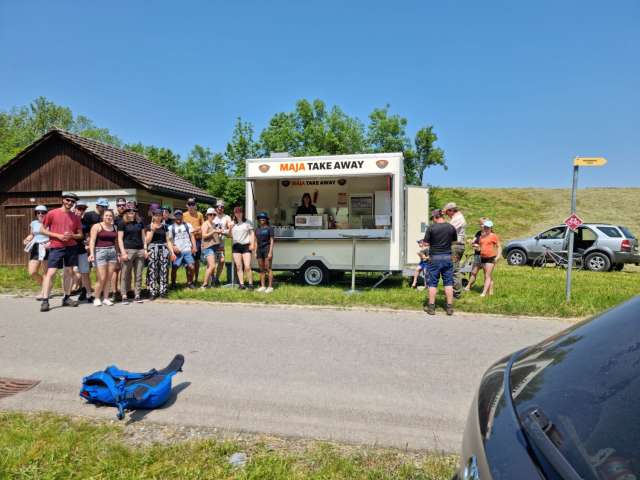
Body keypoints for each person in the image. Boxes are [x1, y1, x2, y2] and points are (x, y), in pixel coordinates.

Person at [39, 193, 84, 312]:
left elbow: (80, 235)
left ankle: (66, 298)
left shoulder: (75, 217)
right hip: (56, 247)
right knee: (51, 273)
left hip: (71, 247)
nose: (70, 203)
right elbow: (42, 230)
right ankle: (45, 300)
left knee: (68, 272)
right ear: (63, 200)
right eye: (68, 200)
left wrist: (72, 235)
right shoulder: (52, 213)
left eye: (72, 202)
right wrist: (57, 235)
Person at [423, 209, 458, 316]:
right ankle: (449, 308)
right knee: (448, 283)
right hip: (447, 257)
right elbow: (454, 242)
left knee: (433, 283)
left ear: (435, 217)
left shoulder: (431, 228)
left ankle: (431, 308)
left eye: (432, 218)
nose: (432, 220)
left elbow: (425, 244)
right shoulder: (451, 227)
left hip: (435, 258)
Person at [88, 209, 120, 306]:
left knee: (109, 277)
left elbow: (116, 242)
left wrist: (118, 253)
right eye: (106, 215)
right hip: (100, 252)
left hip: (112, 252)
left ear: (113, 217)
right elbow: (92, 241)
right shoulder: (97, 226)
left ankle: (106, 298)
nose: (108, 217)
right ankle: (97, 298)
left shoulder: (115, 227)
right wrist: (91, 253)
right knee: (101, 277)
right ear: (102, 216)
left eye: (110, 216)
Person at [118, 203, 146, 304]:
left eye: (133, 211)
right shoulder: (122, 223)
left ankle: (137, 294)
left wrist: (145, 249)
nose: (132, 213)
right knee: (125, 274)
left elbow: (143, 237)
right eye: (129, 211)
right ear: (126, 212)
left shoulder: (140, 222)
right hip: (128, 250)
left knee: (138, 274)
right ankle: (124, 295)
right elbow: (120, 239)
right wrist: (122, 252)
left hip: (139, 251)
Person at [145, 209, 176, 299]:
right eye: (156, 215)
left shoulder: (165, 227)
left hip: (163, 249)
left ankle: (163, 291)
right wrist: (152, 231)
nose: (158, 217)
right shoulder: (149, 226)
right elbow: (147, 241)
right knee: (152, 270)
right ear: (153, 216)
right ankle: (152, 292)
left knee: (164, 270)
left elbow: (168, 240)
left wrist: (172, 252)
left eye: (159, 215)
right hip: (152, 249)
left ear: (162, 216)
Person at [23, 205, 49, 300]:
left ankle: (44, 292)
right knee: (32, 272)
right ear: (36, 214)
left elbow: (54, 235)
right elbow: (32, 234)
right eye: (38, 212)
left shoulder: (50, 222)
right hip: (35, 247)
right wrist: (27, 239)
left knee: (45, 272)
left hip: (46, 247)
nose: (40, 214)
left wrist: (50, 243)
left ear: (46, 213)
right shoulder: (33, 223)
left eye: (43, 212)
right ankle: (45, 286)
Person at [70, 200, 93, 303]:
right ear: (75, 208)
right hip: (70, 249)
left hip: (81, 249)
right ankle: (67, 295)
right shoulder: (69, 219)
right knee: (70, 272)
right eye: (79, 208)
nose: (81, 210)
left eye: (83, 209)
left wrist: (87, 242)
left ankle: (88, 294)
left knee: (85, 273)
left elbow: (87, 236)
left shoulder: (85, 222)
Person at [443, 202, 467, 299]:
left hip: (455, 247)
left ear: (451, 210)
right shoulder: (456, 218)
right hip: (456, 246)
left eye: (447, 212)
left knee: (454, 270)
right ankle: (453, 291)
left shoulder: (458, 218)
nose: (447, 215)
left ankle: (456, 293)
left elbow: (447, 230)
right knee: (452, 269)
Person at [169, 210, 197, 289]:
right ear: (174, 217)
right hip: (178, 252)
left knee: (191, 267)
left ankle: (190, 283)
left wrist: (194, 247)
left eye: (180, 215)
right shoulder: (171, 227)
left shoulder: (188, 225)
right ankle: (173, 283)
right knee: (174, 268)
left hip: (187, 250)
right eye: (176, 216)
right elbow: (169, 240)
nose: (178, 217)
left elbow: (192, 236)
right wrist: (173, 247)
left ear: (182, 216)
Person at [230, 206, 254, 290]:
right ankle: (241, 284)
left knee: (247, 266)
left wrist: (252, 244)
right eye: (236, 212)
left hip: (246, 245)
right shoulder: (232, 223)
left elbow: (252, 233)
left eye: (240, 212)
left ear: (242, 213)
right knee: (239, 266)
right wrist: (230, 228)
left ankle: (251, 284)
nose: (238, 214)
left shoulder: (248, 222)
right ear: (234, 214)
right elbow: (229, 235)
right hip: (236, 246)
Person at [182, 198, 204, 285]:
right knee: (188, 260)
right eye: (189, 204)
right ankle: (189, 280)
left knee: (196, 260)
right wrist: (192, 231)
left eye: (193, 204)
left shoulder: (199, 215)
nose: (191, 206)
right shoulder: (183, 215)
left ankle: (196, 279)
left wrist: (198, 229)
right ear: (186, 205)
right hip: (187, 240)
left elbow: (203, 226)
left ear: (195, 205)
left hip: (197, 240)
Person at [477, 220, 501, 297]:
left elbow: (499, 246)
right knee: (487, 275)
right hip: (483, 257)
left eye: (488, 227)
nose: (486, 228)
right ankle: (490, 291)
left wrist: (498, 256)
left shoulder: (493, 236)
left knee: (487, 275)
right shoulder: (481, 236)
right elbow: (481, 247)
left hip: (491, 257)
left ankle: (484, 293)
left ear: (491, 228)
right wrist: (477, 248)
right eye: (485, 227)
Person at [212, 200, 232, 285]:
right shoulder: (212, 216)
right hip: (214, 242)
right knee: (212, 262)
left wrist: (223, 231)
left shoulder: (227, 217)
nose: (220, 208)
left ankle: (219, 279)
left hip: (225, 242)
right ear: (216, 208)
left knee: (225, 261)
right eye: (218, 207)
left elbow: (230, 230)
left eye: (222, 207)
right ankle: (212, 279)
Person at [201, 207, 222, 288]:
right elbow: (204, 235)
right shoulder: (205, 224)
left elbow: (214, 234)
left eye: (214, 214)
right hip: (208, 247)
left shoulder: (213, 224)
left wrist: (219, 232)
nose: (212, 216)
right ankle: (204, 284)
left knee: (210, 266)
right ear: (207, 215)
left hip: (214, 246)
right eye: (210, 214)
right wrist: (214, 231)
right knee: (212, 266)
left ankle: (210, 283)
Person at [464, 218, 487, 292]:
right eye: (480, 224)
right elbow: (473, 241)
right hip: (477, 255)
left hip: (486, 256)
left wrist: (480, 247)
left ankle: (486, 289)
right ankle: (468, 286)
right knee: (473, 272)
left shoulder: (489, 233)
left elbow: (489, 245)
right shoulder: (478, 233)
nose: (480, 226)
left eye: (482, 224)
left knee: (486, 273)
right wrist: (470, 241)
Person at [254, 212, 274, 293]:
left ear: (266, 219)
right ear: (258, 220)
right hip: (259, 250)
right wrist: (255, 251)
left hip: (267, 249)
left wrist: (270, 252)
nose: (261, 219)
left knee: (268, 268)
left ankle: (270, 287)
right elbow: (255, 241)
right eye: (260, 218)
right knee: (261, 269)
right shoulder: (257, 229)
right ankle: (262, 286)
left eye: (263, 218)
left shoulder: (270, 228)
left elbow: (272, 241)